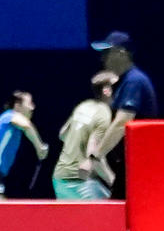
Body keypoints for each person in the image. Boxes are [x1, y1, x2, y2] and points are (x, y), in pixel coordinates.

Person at [87, 31, 159, 185]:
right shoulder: (124, 82)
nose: (102, 58)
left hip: (140, 166)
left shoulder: (134, 81)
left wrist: (97, 156)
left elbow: (122, 123)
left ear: (122, 53)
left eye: (107, 52)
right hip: (129, 165)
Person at [52, 71, 121, 199]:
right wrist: (113, 181)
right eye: (118, 86)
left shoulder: (83, 106)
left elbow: (62, 134)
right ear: (107, 90)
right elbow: (93, 153)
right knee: (111, 214)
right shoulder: (104, 114)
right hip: (80, 182)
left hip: (59, 178)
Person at [0, 91, 49, 198]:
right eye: (29, 103)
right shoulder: (9, 115)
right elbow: (26, 125)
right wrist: (40, 148)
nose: (33, 108)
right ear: (17, 106)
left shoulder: (6, 124)